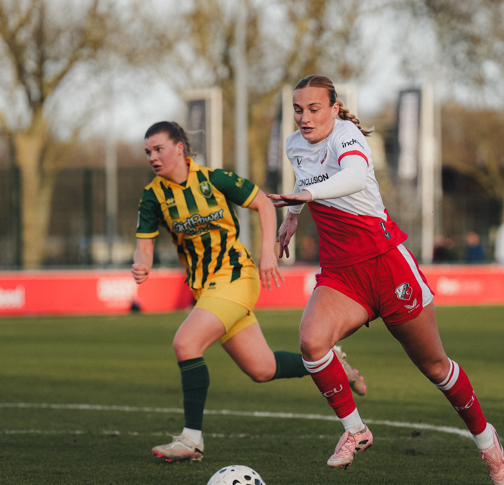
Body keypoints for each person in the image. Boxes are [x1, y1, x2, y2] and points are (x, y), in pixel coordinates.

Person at [267, 75, 504, 485]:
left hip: (386, 265)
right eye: (297, 109)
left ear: (333, 108)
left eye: (313, 109)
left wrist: (306, 199)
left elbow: (354, 178)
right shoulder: (295, 144)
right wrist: (291, 217)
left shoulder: (347, 136)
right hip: (342, 274)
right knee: (311, 342)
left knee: (436, 368)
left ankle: (489, 444)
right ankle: (356, 431)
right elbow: (304, 178)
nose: (304, 117)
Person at [131, 121, 365, 463]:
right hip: (206, 289)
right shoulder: (153, 195)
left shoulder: (214, 179)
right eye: (148, 151)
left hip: (237, 276)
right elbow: (144, 247)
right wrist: (141, 265)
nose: (153, 156)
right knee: (263, 368)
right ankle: (332, 363)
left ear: (179, 148)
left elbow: (265, 205)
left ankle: (191, 439)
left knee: (186, 343)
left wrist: (267, 251)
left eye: (159, 149)